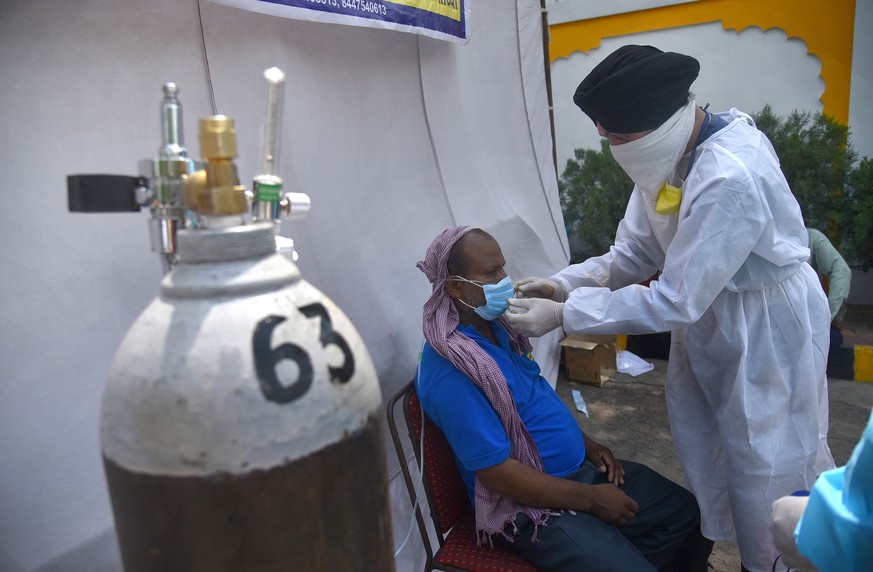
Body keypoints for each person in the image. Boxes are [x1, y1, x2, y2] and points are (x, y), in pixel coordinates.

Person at [504, 45, 835, 572]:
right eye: (604, 135)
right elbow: (635, 253)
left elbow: (675, 298)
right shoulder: (674, 156)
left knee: (768, 465)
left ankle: (777, 564)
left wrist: (568, 316)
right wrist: (562, 285)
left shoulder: (729, 174)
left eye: (617, 137)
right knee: (721, 454)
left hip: (764, 330)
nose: (611, 146)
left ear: (657, 123)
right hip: (715, 319)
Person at [415, 226, 712, 571]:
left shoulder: (498, 328)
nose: (505, 280)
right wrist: (591, 500)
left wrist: (586, 443)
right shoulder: (454, 369)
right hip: (532, 510)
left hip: (579, 473)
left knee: (687, 514)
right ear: (455, 286)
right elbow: (497, 474)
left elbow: (535, 401)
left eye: (503, 267)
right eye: (491, 273)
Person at [807, 227, 852, 350]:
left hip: (804, 322)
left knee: (832, 337)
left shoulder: (810, 237)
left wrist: (829, 314)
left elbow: (841, 270)